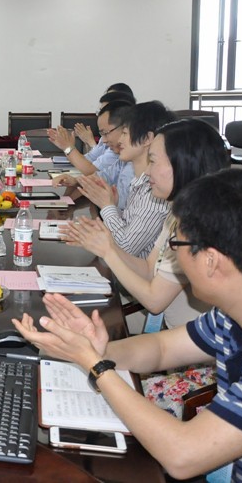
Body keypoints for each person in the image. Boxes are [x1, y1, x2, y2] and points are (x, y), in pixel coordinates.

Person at [13, 168, 242, 481]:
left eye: (177, 244)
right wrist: (97, 349)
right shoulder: (231, 315)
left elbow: (183, 456)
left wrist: (96, 365)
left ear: (211, 260)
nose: (173, 256)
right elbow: (161, 349)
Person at [60, 119, 230, 328]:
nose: (147, 172)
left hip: (189, 339)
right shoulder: (176, 213)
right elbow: (149, 269)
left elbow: (154, 301)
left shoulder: (199, 224)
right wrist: (106, 243)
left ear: (184, 165)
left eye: (153, 161)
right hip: (177, 333)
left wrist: (108, 251)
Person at [76, 101, 175, 258]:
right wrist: (113, 207)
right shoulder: (139, 182)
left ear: (147, 138)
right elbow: (126, 231)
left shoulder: (154, 192)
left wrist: (107, 206)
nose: (120, 140)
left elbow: (126, 248)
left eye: (125, 133)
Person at [53, 100, 136, 211]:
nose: (104, 140)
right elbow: (103, 175)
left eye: (106, 133)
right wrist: (76, 180)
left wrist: (68, 148)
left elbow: (89, 169)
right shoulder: (123, 160)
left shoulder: (136, 164)